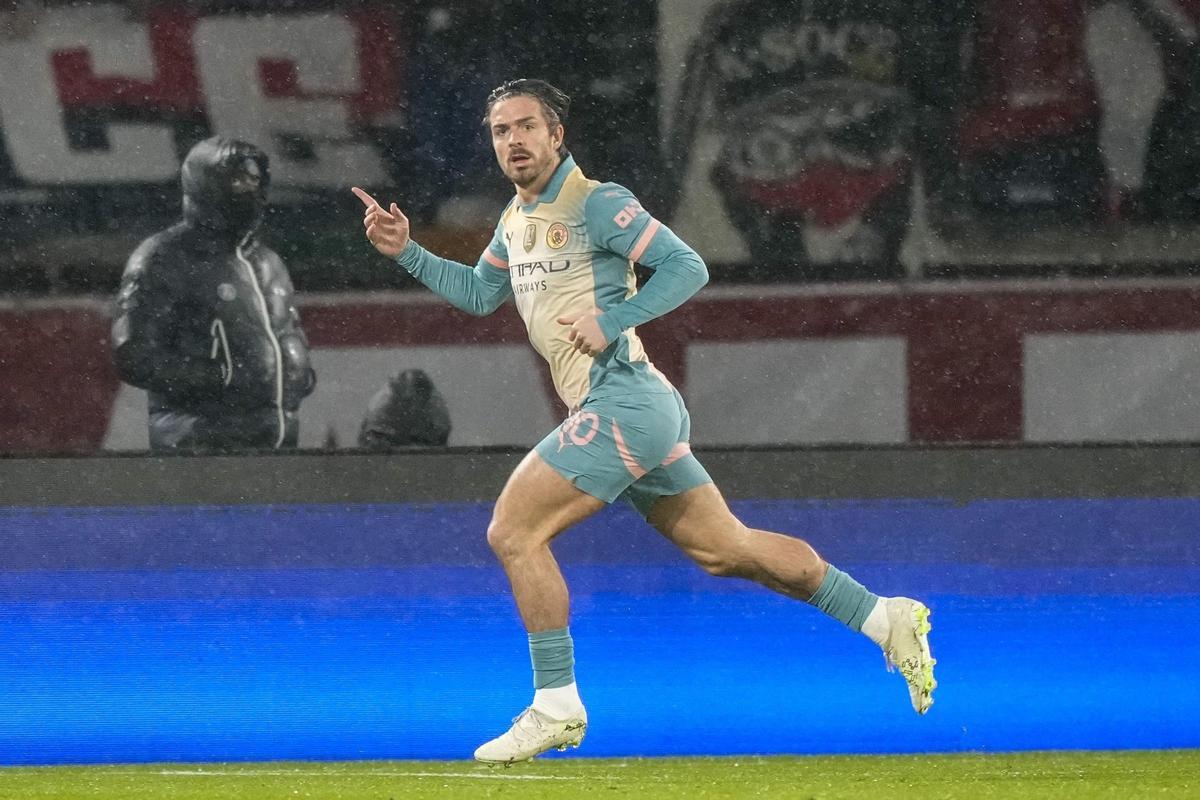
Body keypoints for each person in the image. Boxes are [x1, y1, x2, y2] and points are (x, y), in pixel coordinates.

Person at [352, 78, 936, 765]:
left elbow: (686, 268)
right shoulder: (516, 219)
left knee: (514, 531)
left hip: (622, 402)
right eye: (500, 131)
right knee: (729, 550)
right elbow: (482, 295)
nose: (512, 141)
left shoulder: (597, 203)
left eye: (525, 127)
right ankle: (882, 616)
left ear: (556, 135)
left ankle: (556, 707)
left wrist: (613, 317)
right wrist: (407, 252)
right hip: (632, 410)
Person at [112, 136, 316, 451]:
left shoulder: (268, 262)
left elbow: (289, 333)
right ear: (206, 186)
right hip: (199, 443)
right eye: (238, 180)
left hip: (277, 441)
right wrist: (219, 376)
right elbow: (134, 355)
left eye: (255, 180)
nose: (249, 189)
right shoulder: (163, 257)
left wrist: (298, 373)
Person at [358, 368, 451, 449]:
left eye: (419, 400)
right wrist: (376, 440)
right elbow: (369, 435)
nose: (413, 407)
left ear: (427, 395)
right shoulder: (381, 402)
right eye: (408, 401)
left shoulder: (435, 403)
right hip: (387, 438)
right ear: (395, 395)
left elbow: (442, 436)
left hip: (421, 439)